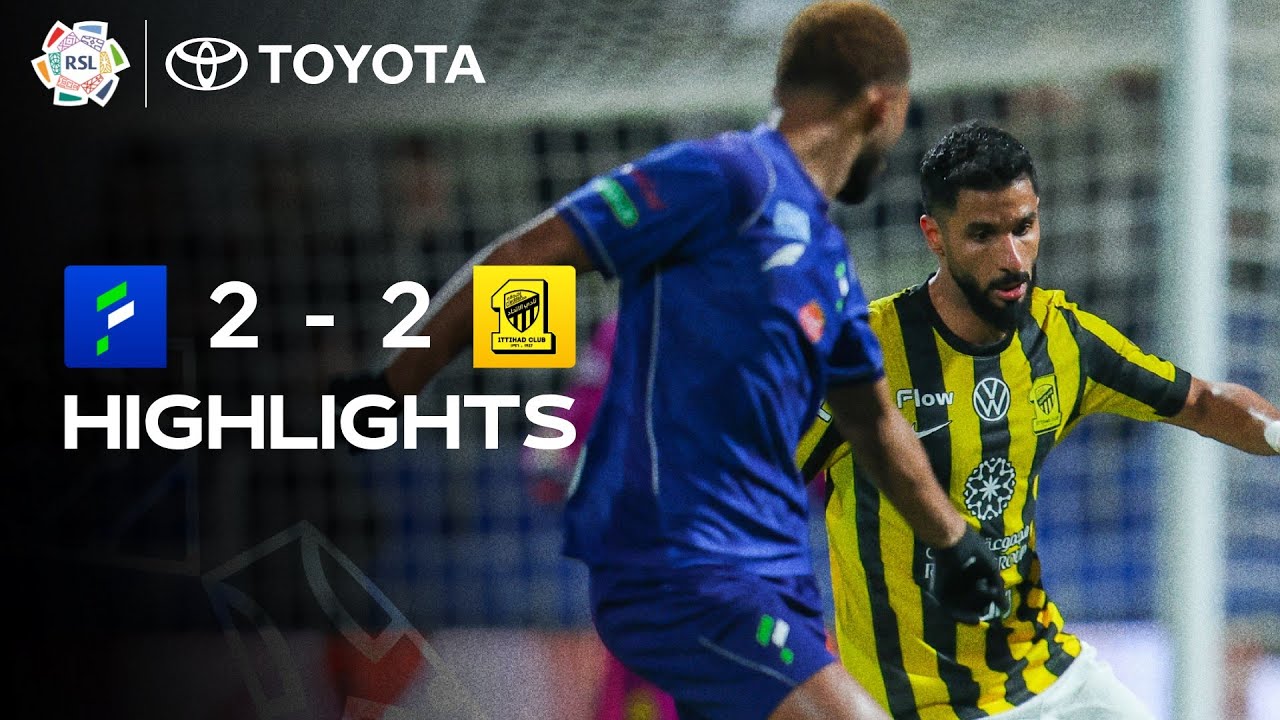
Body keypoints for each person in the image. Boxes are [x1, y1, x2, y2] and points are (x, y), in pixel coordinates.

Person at [335, 4, 1011, 718]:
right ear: (881, 105)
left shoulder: (830, 263)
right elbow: (528, 259)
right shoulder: (725, 175)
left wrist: (953, 540)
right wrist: (392, 383)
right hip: (683, 570)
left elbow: (871, 423)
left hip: (775, 581)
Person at [795, 120, 1280, 720]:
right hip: (918, 706)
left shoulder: (1063, 339)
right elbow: (755, 486)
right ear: (934, 236)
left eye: (1023, 228)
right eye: (983, 234)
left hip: (1046, 673)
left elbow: (1202, 402)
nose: (1011, 258)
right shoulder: (866, 354)